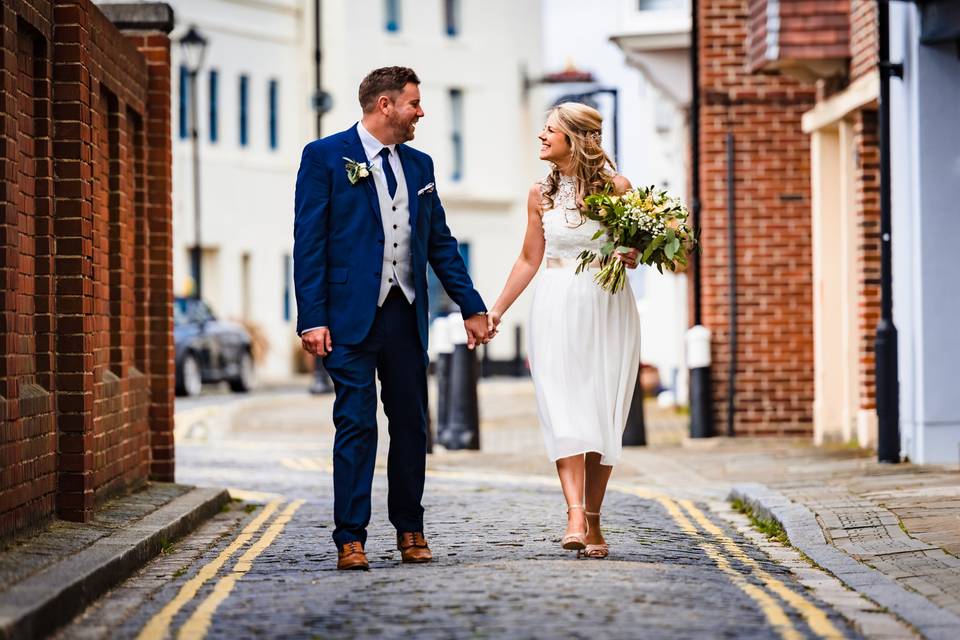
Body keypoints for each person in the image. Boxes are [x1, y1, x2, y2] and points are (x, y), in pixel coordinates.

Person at [293, 66, 489, 571]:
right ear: (385, 105)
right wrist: (311, 317)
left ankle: (410, 529)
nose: (420, 112)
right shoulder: (324, 157)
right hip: (348, 319)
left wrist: (471, 305)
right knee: (355, 423)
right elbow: (309, 243)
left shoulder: (420, 166)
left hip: (405, 317)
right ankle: (350, 538)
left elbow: (440, 244)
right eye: (413, 104)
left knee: (410, 426)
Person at [487, 102, 641, 559]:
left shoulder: (618, 189)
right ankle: (574, 512)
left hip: (605, 304)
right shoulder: (539, 193)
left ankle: (593, 519)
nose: (540, 136)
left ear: (575, 137)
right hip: (554, 304)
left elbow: (634, 249)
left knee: (599, 410)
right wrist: (496, 310)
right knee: (563, 407)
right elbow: (528, 259)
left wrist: (631, 254)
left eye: (549, 130)